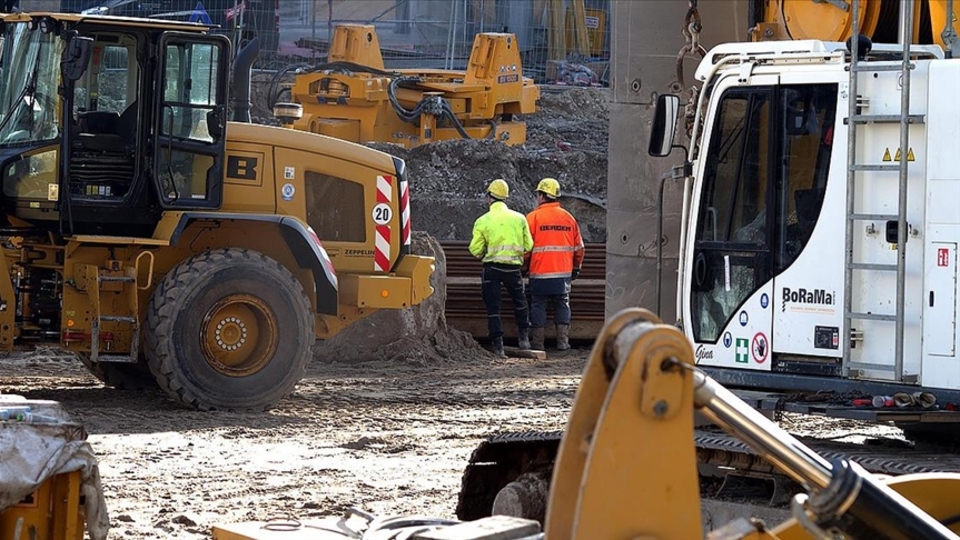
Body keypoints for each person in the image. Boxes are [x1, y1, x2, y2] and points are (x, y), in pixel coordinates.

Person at [469, 179, 534, 358]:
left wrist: (485, 253)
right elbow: (529, 245)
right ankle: (524, 340)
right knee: (520, 303)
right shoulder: (519, 219)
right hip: (513, 270)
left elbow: (475, 249)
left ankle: (498, 347)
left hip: (492, 269)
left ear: (489, 197)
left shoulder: (483, 220)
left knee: (493, 308)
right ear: (505, 197)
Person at [525, 178, 584, 351]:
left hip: (539, 273)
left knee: (538, 305)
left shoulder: (533, 218)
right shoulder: (568, 218)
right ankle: (563, 341)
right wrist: (576, 267)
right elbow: (579, 248)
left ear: (542, 196)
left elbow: (525, 248)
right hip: (563, 274)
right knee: (562, 304)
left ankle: (538, 343)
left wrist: (525, 266)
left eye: (538, 194)